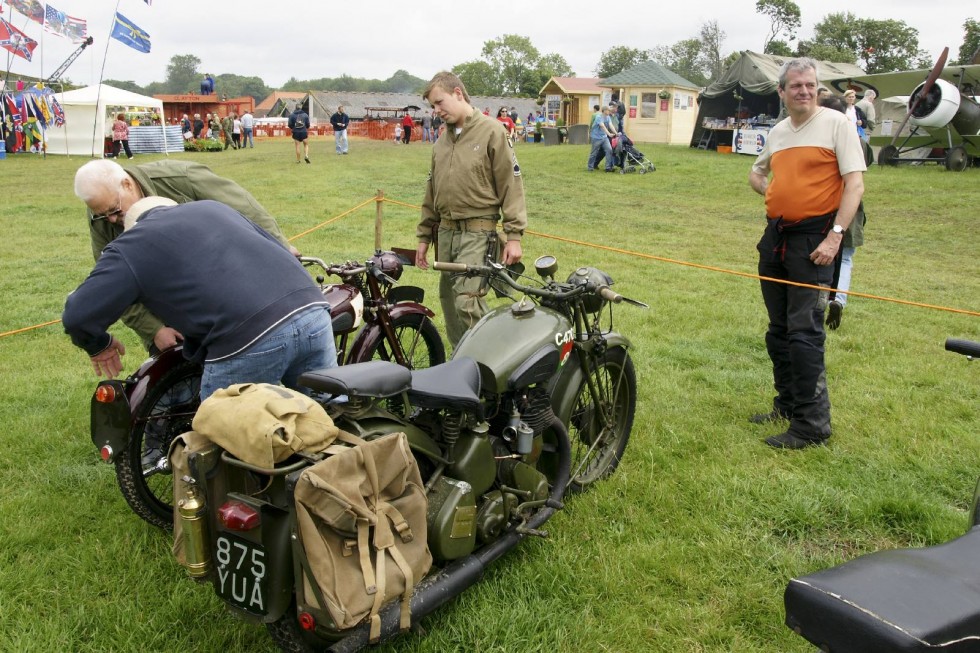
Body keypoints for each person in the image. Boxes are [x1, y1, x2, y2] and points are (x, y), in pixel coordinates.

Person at [62, 197, 335, 401]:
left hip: (246, 337)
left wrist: (100, 345)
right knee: (331, 411)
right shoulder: (214, 208)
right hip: (311, 308)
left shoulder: (131, 244)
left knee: (223, 437)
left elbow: (78, 315)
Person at [747, 57, 865, 449]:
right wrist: (774, 193)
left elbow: (855, 186)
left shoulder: (838, 125)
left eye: (810, 85)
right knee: (778, 329)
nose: (804, 91)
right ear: (781, 91)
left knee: (804, 333)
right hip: (775, 239)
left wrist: (834, 237)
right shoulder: (779, 131)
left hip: (815, 241)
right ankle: (787, 404)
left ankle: (812, 424)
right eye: (796, 85)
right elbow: (757, 172)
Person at [73, 158, 299, 354]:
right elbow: (113, 280)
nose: (111, 221)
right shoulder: (102, 211)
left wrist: (282, 249)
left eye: (114, 211)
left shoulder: (182, 178)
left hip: (223, 295)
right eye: (103, 216)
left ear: (126, 184)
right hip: (165, 307)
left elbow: (247, 211)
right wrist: (154, 330)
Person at [415, 71, 527, 347]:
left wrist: (514, 236)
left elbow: (511, 184)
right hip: (446, 234)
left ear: (457, 93)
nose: (437, 111)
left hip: (478, 233)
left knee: (468, 301)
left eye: (440, 103)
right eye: (432, 107)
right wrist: (424, 237)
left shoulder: (492, 131)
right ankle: (463, 366)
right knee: (451, 305)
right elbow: (432, 191)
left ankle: (498, 363)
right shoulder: (441, 142)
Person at [818, 94, 869, 331]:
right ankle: (838, 299)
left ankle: (825, 299)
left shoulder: (821, 138)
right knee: (844, 257)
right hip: (850, 203)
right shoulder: (859, 141)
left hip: (832, 204)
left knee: (831, 255)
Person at [587, 106, 616, 172]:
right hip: (596, 137)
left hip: (604, 137)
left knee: (609, 150)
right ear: (604, 111)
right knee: (594, 153)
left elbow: (611, 125)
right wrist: (609, 134)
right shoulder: (599, 117)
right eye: (608, 110)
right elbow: (602, 126)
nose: (609, 112)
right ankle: (590, 167)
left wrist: (616, 133)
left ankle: (608, 168)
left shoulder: (608, 117)